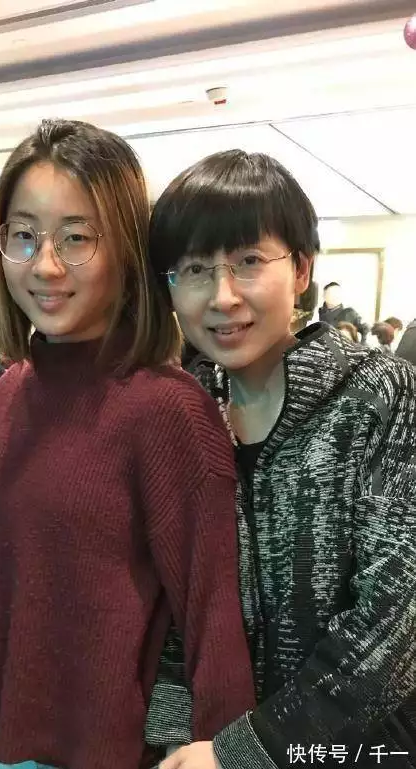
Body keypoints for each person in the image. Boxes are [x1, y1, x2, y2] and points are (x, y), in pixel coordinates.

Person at [0, 119, 254, 769]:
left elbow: (211, 608)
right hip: (6, 739)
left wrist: (225, 747)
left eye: (76, 237)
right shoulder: (10, 388)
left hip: (110, 747)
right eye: (24, 235)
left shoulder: (166, 406)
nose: (46, 264)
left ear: (125, 248)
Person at [146, 149, 416, 769]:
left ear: (300, 269)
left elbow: (397, 617)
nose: (222, 297)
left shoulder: (380, 396)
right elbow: (176, 599)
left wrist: (254, 748)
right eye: (194, 269)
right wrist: (178, 737)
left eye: (248, 261)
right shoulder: (187, 409)